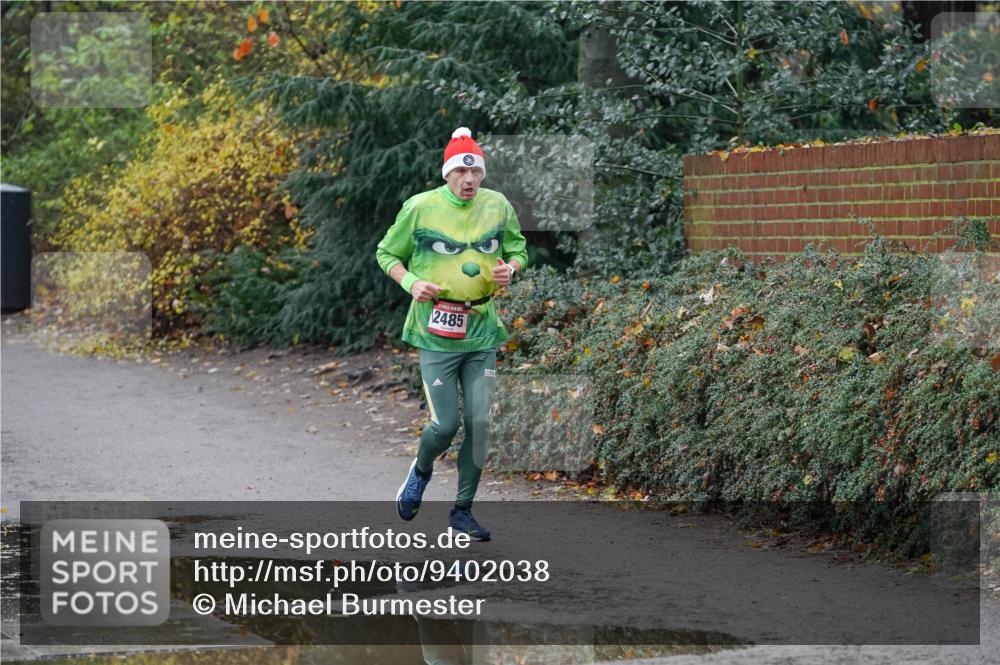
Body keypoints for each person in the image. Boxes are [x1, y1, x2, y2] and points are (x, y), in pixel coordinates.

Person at [375, 127, 528, 541]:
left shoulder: (497, 205)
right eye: (461, 172)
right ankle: (420, 472)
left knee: (480, 423)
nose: (469, 180)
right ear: (447, 174)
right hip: (436, 332)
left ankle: (462, 512)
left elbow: (518, 249)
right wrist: (411, 283)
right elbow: (386, 252)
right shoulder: (420, 207)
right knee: (444, 426)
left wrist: (511, 269)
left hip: (482, 329)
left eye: (475, 172)